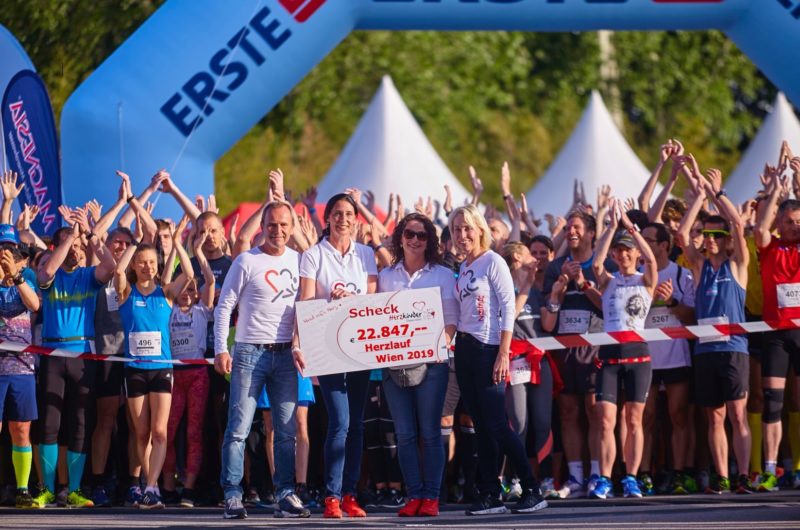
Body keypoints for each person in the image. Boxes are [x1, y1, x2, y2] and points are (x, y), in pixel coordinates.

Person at [449, 204, 547, 516]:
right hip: (464, 349)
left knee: (496, 424)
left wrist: (503, 353)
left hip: (488, 348)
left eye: (467, 228)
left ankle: (532, 487)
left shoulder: (493, 261)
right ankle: (490, 492)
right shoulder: (465, 266)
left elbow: (508, 307)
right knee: (480, 425)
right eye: (456, 229)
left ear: (479, 230)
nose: (461, 234)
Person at [215, 200, 310, 520]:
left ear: (292, 228)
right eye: (272, 225)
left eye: (284, 225)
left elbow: (311, 306)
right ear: (263, 226)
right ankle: (232, 494)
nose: (278, 231)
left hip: (285, 355)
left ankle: (284, 493)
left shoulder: (301, 262)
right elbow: (224, 305)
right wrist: (220, 349)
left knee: (286, 431)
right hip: (248, 353)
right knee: (238, 429)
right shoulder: (246, 261)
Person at [298, 192, 377, 519]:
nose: (343, 219)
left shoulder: (366, 254)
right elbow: (305, 302)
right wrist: (330, 300)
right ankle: (331, 495)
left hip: (358, 346)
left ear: (356, 219)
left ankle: (349, 493)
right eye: (337, 213)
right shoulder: (313, 255)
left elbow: (372, 298)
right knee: (340, 421)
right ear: (327, 217)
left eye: (349, 214)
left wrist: (352, 298)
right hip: (327, 346)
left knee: (356, 424)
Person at [35, 205, 117, 508]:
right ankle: (47, 489)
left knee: (81, 422)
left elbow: (111, 266)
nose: (77, 251)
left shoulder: (88, 276)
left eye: (80, 247)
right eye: (72, 246)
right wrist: (71, 236)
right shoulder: (51, 274)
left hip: (82, 354)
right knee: (50, 423)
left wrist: (92, 234)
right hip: (53, 353)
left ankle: (75, 490)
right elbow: (44, 273)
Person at [677, 164, 751, 494]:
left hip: (733, 349)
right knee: (715, 418)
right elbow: (681, 235)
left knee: (738, 414)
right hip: (706, 349)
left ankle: (744, 475)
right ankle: (722, 475)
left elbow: (736, 223)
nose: (709, 240)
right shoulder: (699, 265)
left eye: (715, 236)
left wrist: (718, 194)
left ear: (726, 240)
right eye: (707, 235)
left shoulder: (737, 264)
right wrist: (699, 198)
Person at [378, 213, 458, 517]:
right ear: (400, 237)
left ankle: (432, 496)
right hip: (394, 364)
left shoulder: (442, 275)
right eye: (409, 234)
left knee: (429, 432)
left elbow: (451, 322)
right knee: (405, 433)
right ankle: (413, 495)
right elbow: (377, 320)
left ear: (430, 241)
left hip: (433, 363)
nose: (414, 240)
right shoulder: (387, 277)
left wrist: (434, 345)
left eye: (421, 236)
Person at [114, 216, 193, 509]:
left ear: (158, 265)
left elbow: (188, 272)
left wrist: (178, 241)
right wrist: (135, 243)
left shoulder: (167, 292)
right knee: (141, 432)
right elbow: (118, 272)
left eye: (151, 262)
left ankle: (151, 487)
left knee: (160, 432)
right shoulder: (125, 293)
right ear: (135, 265)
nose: (148, 266)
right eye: (142, 262)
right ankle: (151, 485)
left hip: (161, 369)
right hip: (135, 370)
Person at [590, 200, 657, 499]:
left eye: (628, 248)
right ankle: (605, 478)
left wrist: (631, 228)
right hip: (610, 355)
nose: (623, 253)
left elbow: (653, 261)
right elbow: (595, 263)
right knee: (605, 419)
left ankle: (631, 477)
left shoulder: (646, 279)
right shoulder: (608, 281)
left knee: (634, 420)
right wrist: (610, 229)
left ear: (636, 253)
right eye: (619, 250)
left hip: (638, 355)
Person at [541, 210, 605, 498]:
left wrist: (582, 284)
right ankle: (576, 478)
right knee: (568, 413)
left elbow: (608, 307)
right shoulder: (556, 267)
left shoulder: (603, 264)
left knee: (594, 412)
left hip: (595, 347)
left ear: (591, 233)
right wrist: (561, 290)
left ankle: (596, 475)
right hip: (564, 349)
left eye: (576, 228)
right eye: (567, 228)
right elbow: (549, 311)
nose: (571, 233)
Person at [640, 222, 697, 495]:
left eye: (650, 240)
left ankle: (680, 474)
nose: (645, 245)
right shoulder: (637, 274)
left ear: (664, 245)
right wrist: (647, 299)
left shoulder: (682, 274)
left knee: (678, 416)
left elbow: (692, 317)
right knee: (646, 418)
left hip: (676, 355)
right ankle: (643, 474)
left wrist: (672, 301)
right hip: (646, 357)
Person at [160, 231, 215, 507]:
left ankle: (189, 490)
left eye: (192, 289)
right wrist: (174, 248)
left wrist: (198, 251)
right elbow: (166, 280)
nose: (187, 293)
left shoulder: (203, 310)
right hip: (173, 375)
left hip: (197, 376)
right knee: (168, 432)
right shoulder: (168, 306)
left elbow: (211, 280)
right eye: (184, 289)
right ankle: (168, 487)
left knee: (194, 432)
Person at [754, 159, 800, 491]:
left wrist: (798, 179)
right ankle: (770, 470)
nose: (794, 226)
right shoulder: (770, 248)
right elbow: (759, 229)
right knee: (773, 402)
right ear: (780, 224)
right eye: (788, 222)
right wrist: (773, 191)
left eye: (799, 221)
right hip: (775, 334)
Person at [501, 239, 559, 499]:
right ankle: (516, 480)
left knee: (543, 421)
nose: (534, 260)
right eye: (528, 256)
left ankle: (546, 479)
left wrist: (555, 297)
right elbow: (509, 317)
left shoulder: (537, 289)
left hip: (539, 360)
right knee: (519, 423)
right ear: (516, 260)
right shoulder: (503, 290)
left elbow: (547, 325)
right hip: (514, 363)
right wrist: (523, 288)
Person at [0, 225, 41, 508]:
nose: (5, 255)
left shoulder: (25, 278)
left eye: (10, 252)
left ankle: (23, 489)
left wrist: (14, 276)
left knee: (21, 430)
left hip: (22, 367)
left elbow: (35, 305)